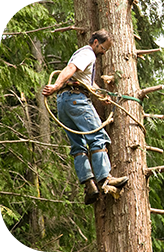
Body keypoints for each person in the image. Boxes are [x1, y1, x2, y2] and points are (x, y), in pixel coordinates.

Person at [42, 29, 128, 205]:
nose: (104, 52)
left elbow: (86, 82)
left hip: (64, 104)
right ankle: (105, 179)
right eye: (104, 48)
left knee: (78, 145)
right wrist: (56, 85)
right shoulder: (88, 54)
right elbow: (71, 68)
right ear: (95, 42)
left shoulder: (83, 55)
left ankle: (89, 185)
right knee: (97, 137)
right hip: (76, 100)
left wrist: (100, 96)